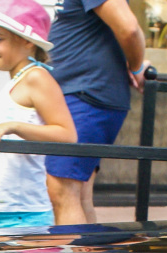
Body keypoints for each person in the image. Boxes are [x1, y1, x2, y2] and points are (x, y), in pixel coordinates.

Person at [0, 0, 76, 229]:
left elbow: (67, 134)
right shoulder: (15, 82)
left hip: (20, 215)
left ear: (27, 41)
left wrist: (13, 126)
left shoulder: (36, 77)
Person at [45, 0, 146, 225]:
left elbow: (128, 28)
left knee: (63, 190)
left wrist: (137, 66)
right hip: (85, 92)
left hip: (85, 94)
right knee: (79, 194)